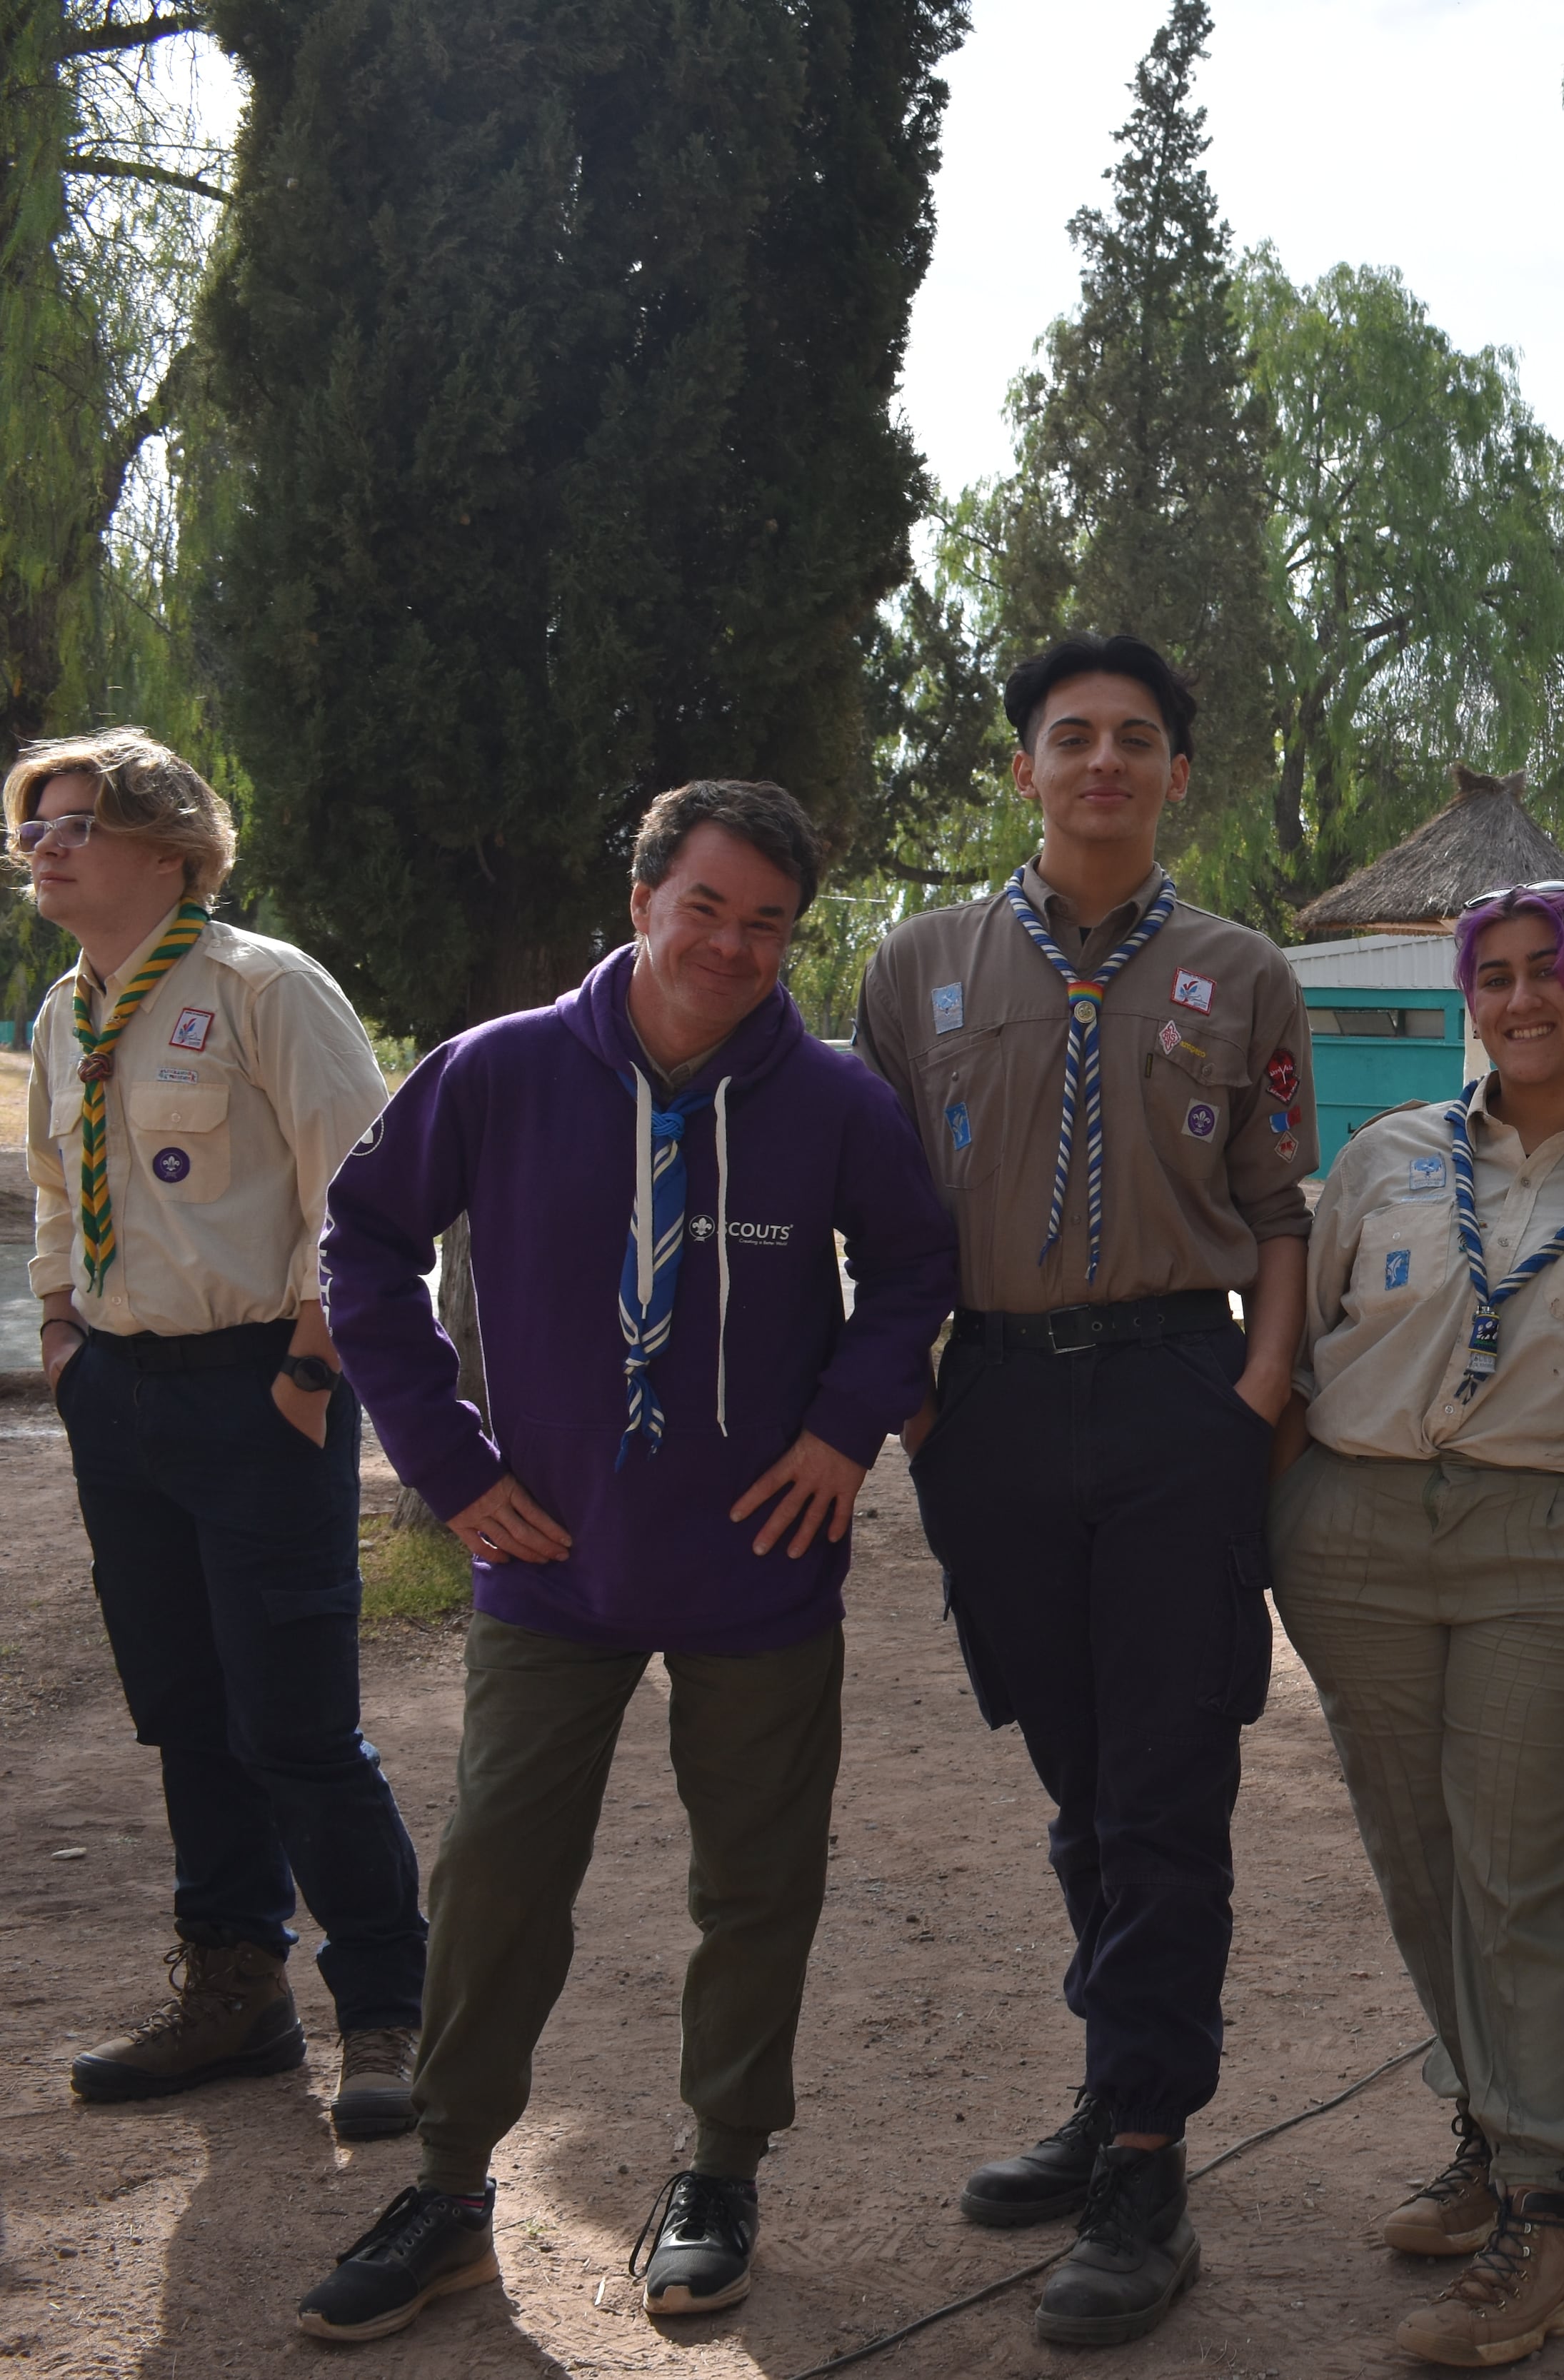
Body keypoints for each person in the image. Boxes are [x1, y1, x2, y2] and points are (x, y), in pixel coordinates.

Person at [294, 778, 958, 2341]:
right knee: (499, 1871)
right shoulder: (500, 1071)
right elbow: (364, 1244)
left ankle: (719, 2168)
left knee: (755, 1882)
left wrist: (848, 1426)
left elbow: (918, 1263)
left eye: (769, 922)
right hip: (550, 1560)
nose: (731, 944)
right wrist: (449, 1466)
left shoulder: (839, 1101)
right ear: (643, 895)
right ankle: (452, 2186)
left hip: (759, 1563)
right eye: (706, 904)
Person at [854, 631, 1315, 2350]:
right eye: (1073, 738)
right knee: (1080, 1769)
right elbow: (882, 1211)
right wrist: (908, 1404)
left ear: (1175, 773)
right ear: (1026, 770)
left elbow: (1280, 1206)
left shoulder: (1241, 971)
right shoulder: (917, 970)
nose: (1104, 762)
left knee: (1165, 1781)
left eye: (1136, 740)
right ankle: (1116, 2079)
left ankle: (1141, 2158)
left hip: (1177, 1389)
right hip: (989, 1413)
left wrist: (1257, 1389)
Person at [1273, 880, 1564, 2369]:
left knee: (1525, 1864)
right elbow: (1304, 1344)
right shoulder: (1384, 1156)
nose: (1521, 997)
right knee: (1419, 1853)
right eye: (1493, 975)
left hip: (1555, 1548)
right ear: (1464, 998)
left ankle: (1544, 2224)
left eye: (1551, 970)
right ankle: (1490, 2133)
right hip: (1356, 1531)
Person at [10, 730, 423, 2143]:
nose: (46, 847)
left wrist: (312, 1360)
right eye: (36, 827)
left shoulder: (264, 987)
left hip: (264, 1385)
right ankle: (237, 1989)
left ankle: (387, 2010)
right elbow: (58, 1182)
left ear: (171, 845)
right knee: (187, 1708)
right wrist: (62, 1330)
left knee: (297, 1724)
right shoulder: (64, 1012)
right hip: (120, 1395)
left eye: (77, 822)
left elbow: (363, 1195)